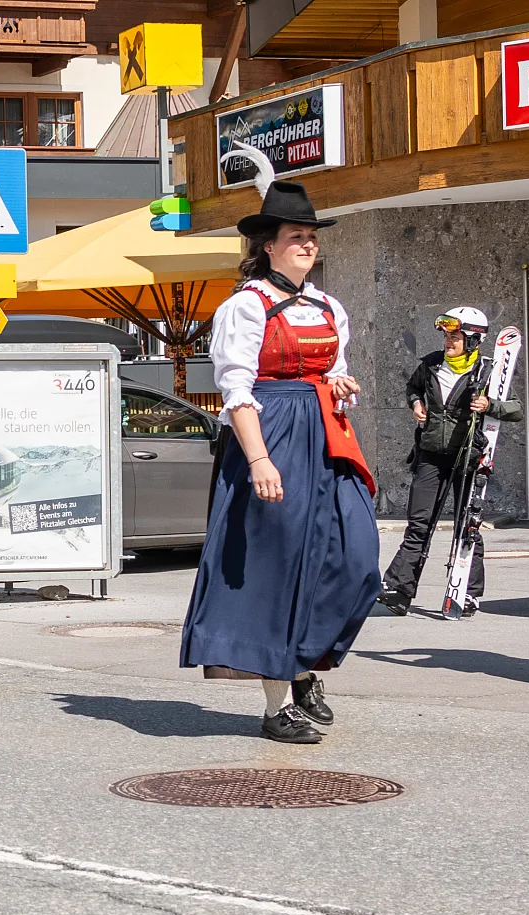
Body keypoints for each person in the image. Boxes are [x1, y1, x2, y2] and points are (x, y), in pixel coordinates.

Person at [176, 173, 377, 745]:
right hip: (270, 433)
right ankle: (276, 704)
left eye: (312, 236)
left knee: (356, 556)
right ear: (269, 246)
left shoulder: (328, 306)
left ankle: (306, 661)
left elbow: (333, 370)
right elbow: (235, 389)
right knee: (277, 567)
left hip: (325, 433)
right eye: (296, 236)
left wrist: (340, 384)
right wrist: (259, 460)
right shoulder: (246, 307)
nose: (308, 244)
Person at [378, 308, 523, 616]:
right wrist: (416, 403)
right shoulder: (431, 364)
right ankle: (398, 589)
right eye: (446, 336)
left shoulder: (487, 371)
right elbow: (412, 388)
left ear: (472, 340)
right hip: (430, 454)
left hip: (468, 457)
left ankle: (467, 593)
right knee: (418, 524)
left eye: (455, 337)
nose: (448, 342)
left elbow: (516, 409)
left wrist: (489, 405)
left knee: (467, 526)